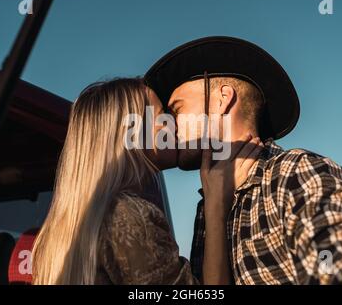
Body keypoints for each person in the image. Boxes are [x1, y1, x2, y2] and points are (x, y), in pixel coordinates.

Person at [144, 36, 342, 285]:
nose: (169, 125)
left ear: (223, 99)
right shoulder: (208, 205)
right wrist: (215, 208)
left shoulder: (295, 171)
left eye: (177, 109)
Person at [31, 77, 260, 284]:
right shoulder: (129, 216)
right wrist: (216, 207)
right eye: (163, 115)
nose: (175, 123)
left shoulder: (56, 234)